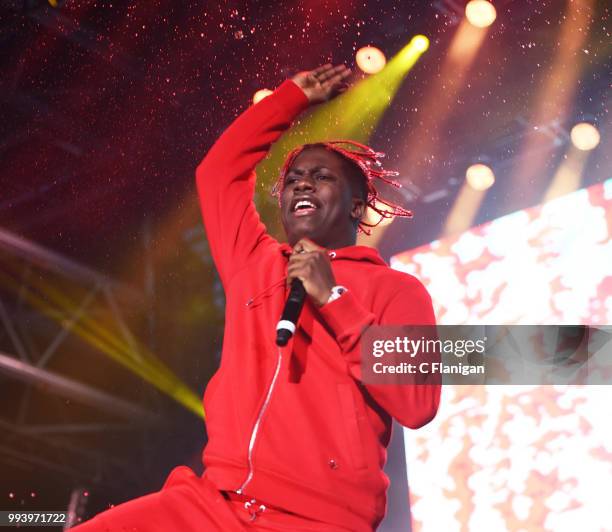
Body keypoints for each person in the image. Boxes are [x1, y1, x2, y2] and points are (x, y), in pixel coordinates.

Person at [73, 63, 440, 532]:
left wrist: (334, 299)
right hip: (215, 505)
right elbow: (218, 174)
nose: (301, 183)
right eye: (293, 179)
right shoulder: (257, 263)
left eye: (321, 177)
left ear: (355, 205)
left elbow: (419, 402)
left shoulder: (398, 290)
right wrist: (289, 99)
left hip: (319, 517)